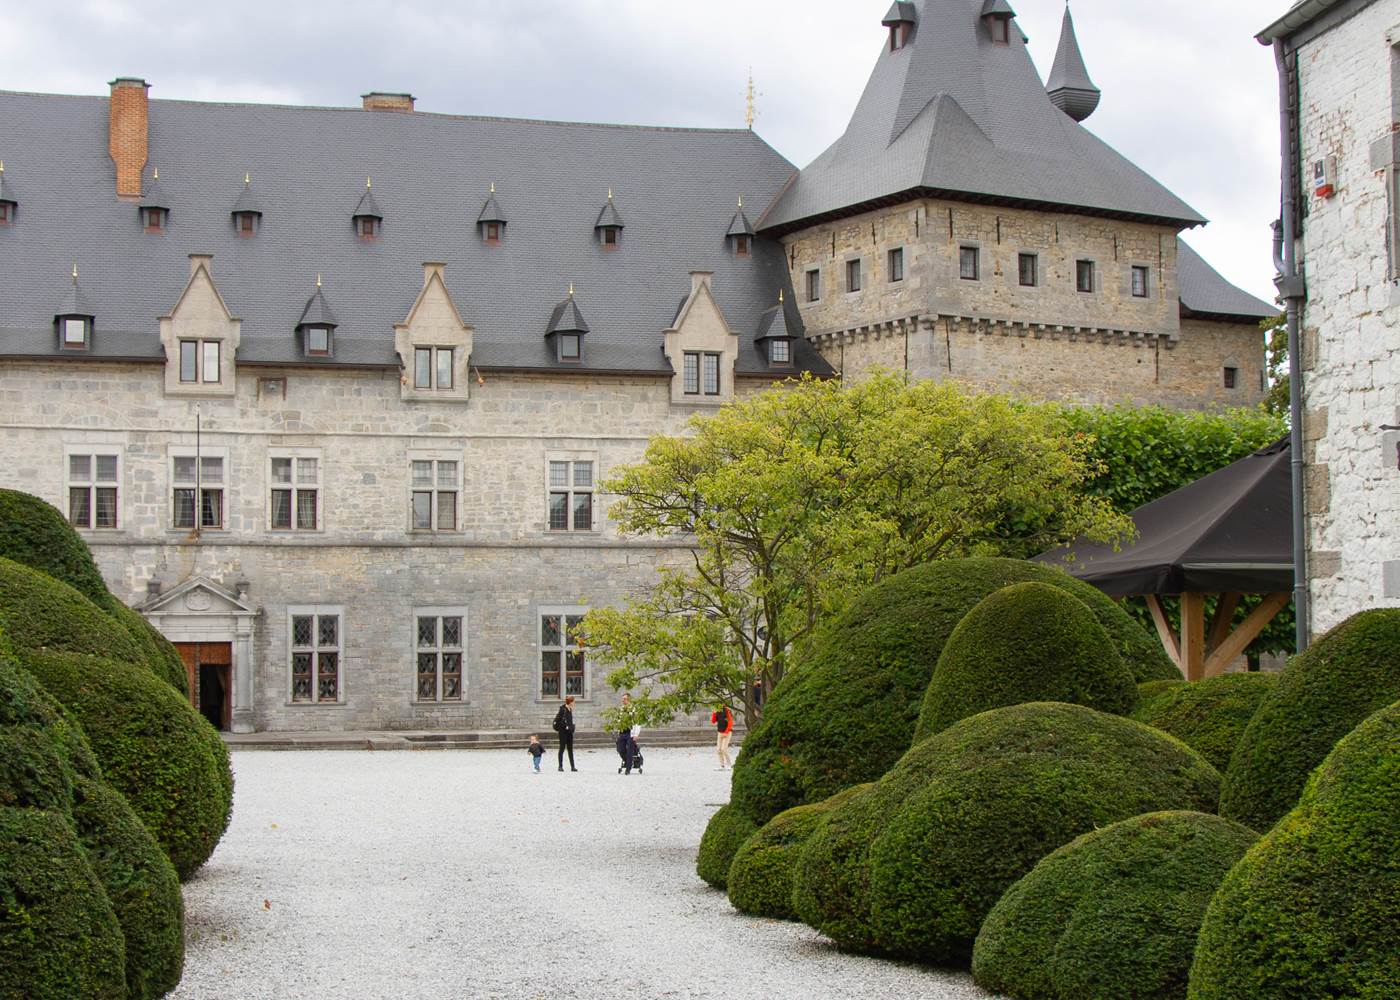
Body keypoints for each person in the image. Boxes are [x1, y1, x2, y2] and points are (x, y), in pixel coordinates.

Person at [552, 695, 577, 771]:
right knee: (562, 748)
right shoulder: (563, 709)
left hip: (569, 732)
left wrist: (571, 727)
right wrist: (566, 727)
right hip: (563, 732)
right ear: (570, 702)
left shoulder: (570, 709)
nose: (574, 703)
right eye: (573, 701)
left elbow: (569, 721)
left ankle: (572, 766)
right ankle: (560, 766)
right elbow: (559, 720)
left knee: (570, 749)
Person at [711, 704, 735, 769]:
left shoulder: (727, 711)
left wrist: (726, 731)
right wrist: (714, 713)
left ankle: (729, 764)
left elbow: (730, 722)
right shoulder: (717, 712)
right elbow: (713, 721)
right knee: (718, 750)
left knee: (724, 749)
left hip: (727, 733)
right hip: (720, 733)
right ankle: (722, 765)